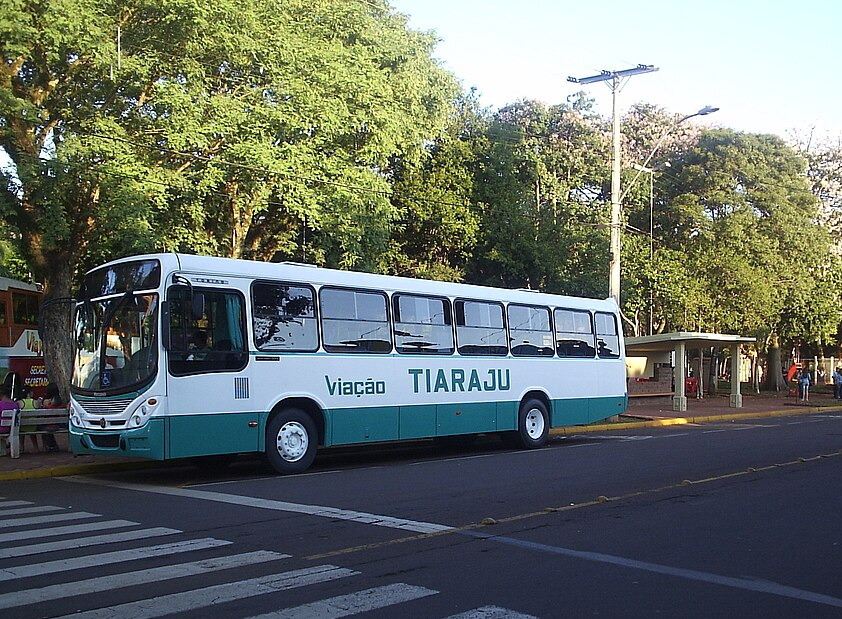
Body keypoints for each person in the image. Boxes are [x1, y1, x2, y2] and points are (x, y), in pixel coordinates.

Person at [37, 383, 62, 452]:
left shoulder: (46, 402)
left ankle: (45, 447)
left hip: (47, 426)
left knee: (44, 428)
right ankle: (53, 445)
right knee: (49, 427)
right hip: (58, 425)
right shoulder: (59, 401)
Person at [17, 386, 42, 452]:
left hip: (22, 427)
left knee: (20, 427)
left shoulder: (19, 403)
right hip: (33, 427)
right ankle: (36, 447)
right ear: (29, 393)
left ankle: (21, 447)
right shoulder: (36, 402)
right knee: (32, 426)